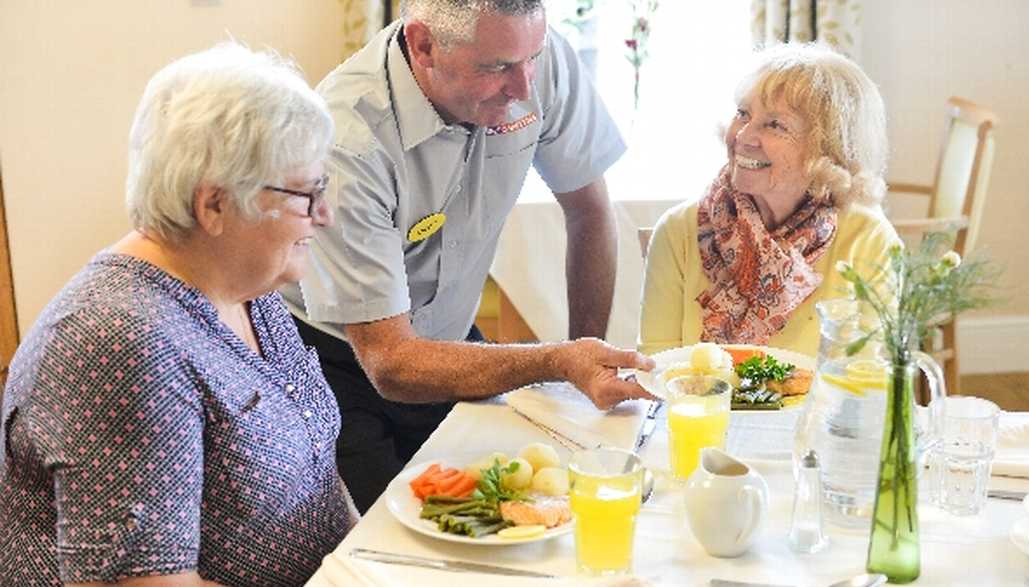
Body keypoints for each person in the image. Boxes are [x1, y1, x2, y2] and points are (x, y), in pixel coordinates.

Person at [0, 44, 356, 585]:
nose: (324, 215)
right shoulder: (118, 341)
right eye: (305, 194)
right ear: (214, 205)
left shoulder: (246, 285)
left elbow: (317, 472)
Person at [280, 0, 653, 512]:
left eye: (531, 60)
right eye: (496, 67)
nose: (524, 88)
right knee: (400, 542)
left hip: (448, 338)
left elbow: (589, 212)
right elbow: (390, 362)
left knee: (508, 510)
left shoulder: (532, 57)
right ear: (424, 45)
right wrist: (558, 361)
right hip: (338, 359)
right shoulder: (349, 141)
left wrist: (580, 365)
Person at [639, 43, 902, 358]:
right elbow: (655, 370)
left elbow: (869, 384)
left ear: (828, 149)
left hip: (820, 410)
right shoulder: (679, 230)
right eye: (743, 114)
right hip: (700, 408)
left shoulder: (867, 240)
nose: (743, 136)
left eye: (775, 125)